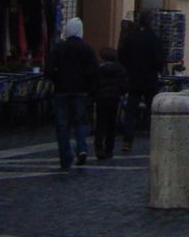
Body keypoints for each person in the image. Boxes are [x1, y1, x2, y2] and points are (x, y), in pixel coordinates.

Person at [48, 17, 99, 170]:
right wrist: (90, 88)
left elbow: (49, 70)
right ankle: (82, 148)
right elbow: (94, 71)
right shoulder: (87, 49)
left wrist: (57, 79)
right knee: (80, 123)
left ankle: (65, 158)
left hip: (61, 92)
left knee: (62, 126)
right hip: (81, 92)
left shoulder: (58, 48)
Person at [118, 11, 163, 153]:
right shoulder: (153, 38)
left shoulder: (131, 37)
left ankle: (127, 141)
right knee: (153, 111)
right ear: (150, 22)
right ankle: (156, 140)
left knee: (131, 112)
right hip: (150, 79)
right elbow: (158, 60)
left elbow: (121, 54)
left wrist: (129, 67)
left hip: (134, 79)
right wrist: (156, 69)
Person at [93, 47, 129, 160]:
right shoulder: (120, 69)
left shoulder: (98, 69)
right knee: (111, 124)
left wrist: (94, 93)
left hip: (101, 98)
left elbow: (94, 83)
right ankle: (109, 149)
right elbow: (124, 85)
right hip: (114, 98)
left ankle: (99, 147)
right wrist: (120, 92)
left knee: (100, 124)